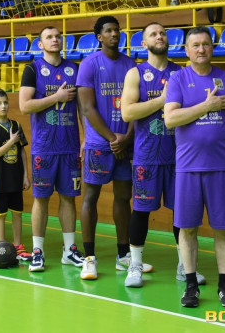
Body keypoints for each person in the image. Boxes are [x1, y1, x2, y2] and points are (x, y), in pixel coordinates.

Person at [164, 25, 225, 308]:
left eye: (206, 44)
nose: (201, 49)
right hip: (188, 167)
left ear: (212, 47)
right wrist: (207, 106)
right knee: (187, 228)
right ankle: (190, 285)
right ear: (186, 50)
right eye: (195, 45)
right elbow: (170, 119)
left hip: (222, 166)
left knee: (223, 228)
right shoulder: (178, 79)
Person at [120, 22, 202, 288]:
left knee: (182, 212)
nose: (160, 36)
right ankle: (135, 265)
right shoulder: (135, 73)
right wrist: (162, 100)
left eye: (163, 33)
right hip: (147, 156)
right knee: (141, 212)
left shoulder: (182, 72)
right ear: (144, 44)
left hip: (180, 156)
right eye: (153, 34)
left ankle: (184, 266)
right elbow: (127, 113)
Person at [76, 16, 144, 280]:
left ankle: (123, 255)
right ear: (99, 37)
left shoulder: (131, 65)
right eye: (109, 31)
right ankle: (89, 258)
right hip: (99, 144)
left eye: (117, 30)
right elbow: (87, 108)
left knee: (123, 197)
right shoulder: (89, 64)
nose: (115, 34)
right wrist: (112, 138)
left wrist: (126, 137)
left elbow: (136, 106)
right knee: (90, 197)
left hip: (125, 142)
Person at [18, 26, 84, 272]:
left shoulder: (75, 68)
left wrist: (86, 137)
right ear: (40, 44)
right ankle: (38, 251)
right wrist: (56, 98)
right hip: (44, 147)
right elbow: (24, 106)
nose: (55, 40)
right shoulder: (32, 69)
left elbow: (83, 107)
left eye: (58, 36)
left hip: (69, 146)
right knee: (41, 198)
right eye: (49, 37)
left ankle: (69, 250)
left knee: (69, 198)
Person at [0, 89, 30, 259]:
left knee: (17, 213)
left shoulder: (16, 125)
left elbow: (22, 151)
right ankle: (2, 248)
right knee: (1, 215)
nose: (3, 106)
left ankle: (18, 247)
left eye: (5, 102)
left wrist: (25, 176)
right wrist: (11, 141)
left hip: (15, 178)